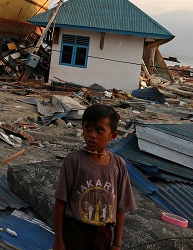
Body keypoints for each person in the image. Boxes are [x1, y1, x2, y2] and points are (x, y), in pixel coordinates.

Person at [53, 104, 136, 250]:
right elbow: (60, 201)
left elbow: (120, 207)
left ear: (113, 136)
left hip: (102, 233)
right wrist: (59, 240)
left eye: (99, 130)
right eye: (87, 128)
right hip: (75, 230)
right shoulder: (74, 160)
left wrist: (117, 243)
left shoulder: (118, 165)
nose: (92, 134)